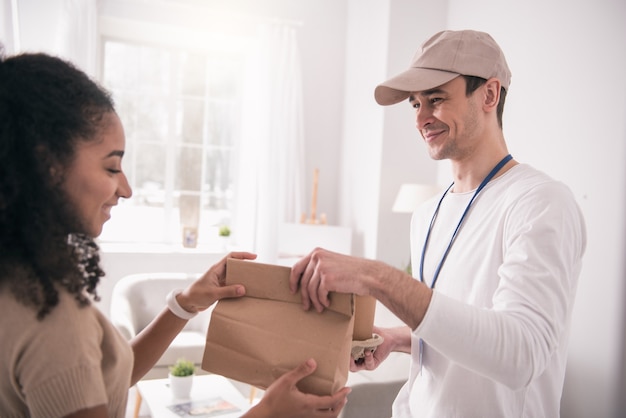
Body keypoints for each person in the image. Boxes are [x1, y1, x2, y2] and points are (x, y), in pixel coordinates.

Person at [0, 51, 349, 417]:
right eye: (112, 167)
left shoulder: (17, 279)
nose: (127, 189)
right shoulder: (54, 319)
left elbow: (106, 379)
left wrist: (186, 303)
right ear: (47, 163)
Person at [289, 29, 586, 417]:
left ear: (489, 95)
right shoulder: (427, 214)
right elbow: (467, 328)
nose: (422, 119)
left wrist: (375, 277)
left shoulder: (541, 202)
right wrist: (402, 338)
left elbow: (520, 355)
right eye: (415, 104)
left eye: (437, 99)